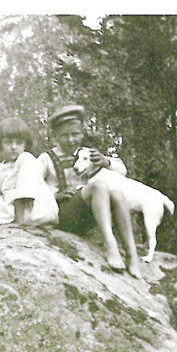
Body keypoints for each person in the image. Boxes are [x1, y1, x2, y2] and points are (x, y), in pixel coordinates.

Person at [38, 104, 142, 278]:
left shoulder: (86, 154)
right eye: (65, 136)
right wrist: (54, 196)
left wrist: (105, 161)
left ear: (82, 134)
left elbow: (122, 170)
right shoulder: (46, 159)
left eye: (75, 134)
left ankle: (132, 256)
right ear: (55, 136)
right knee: (99, 186)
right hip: (62, 216)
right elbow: (32, 189)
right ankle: (110, 243)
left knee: (117, 194)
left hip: (87, 217)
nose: (71, 140)